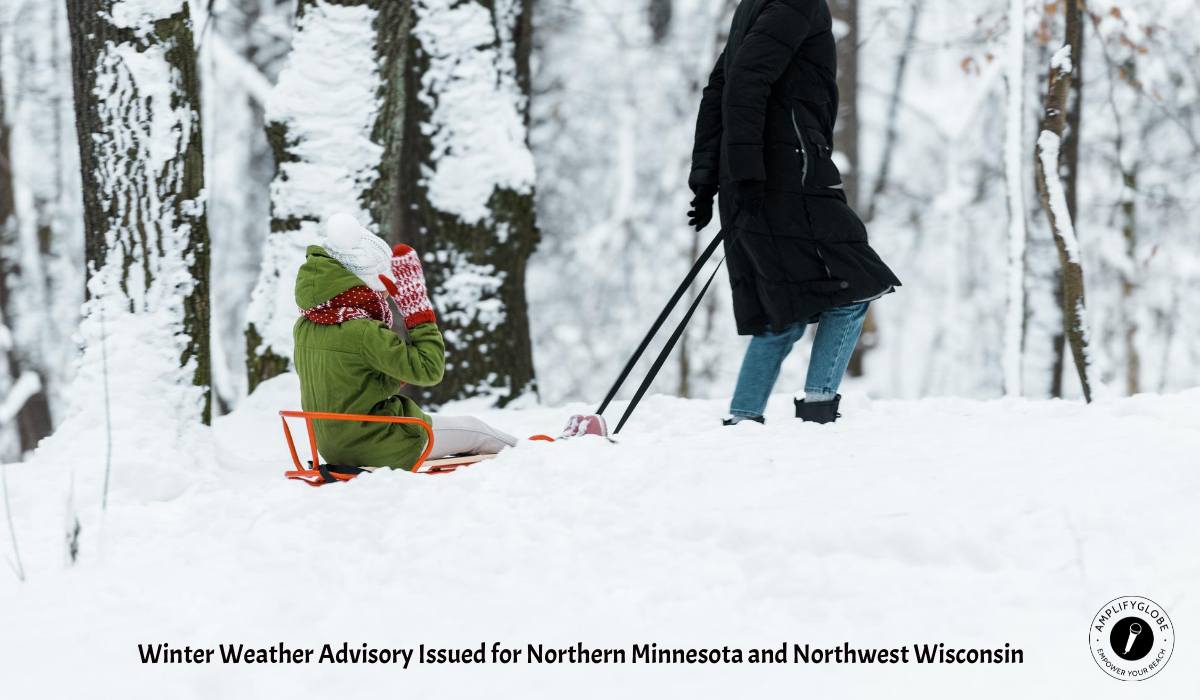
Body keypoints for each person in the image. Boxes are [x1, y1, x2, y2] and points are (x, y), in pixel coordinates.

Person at [688, 0, 901, 425]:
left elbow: (720, 88)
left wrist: (709, 179)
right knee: (856, 285)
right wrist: (741, 172)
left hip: (757, 175)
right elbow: (742, 81)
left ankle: (744, 419)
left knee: (779, 308)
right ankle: (818, 410)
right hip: (786, 176)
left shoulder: (756, 6)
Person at [292, 212, 518, 470]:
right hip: (378, 444)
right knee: (477, 431)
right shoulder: (362, 331)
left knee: (457, 428)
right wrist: (418, 313)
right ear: (363, 280)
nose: (387, 293)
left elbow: (354, 381)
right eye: (384, 282)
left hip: (334, 445)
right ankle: (534, 453)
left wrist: (394, 369)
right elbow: (430, 370)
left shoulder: (307, 324)